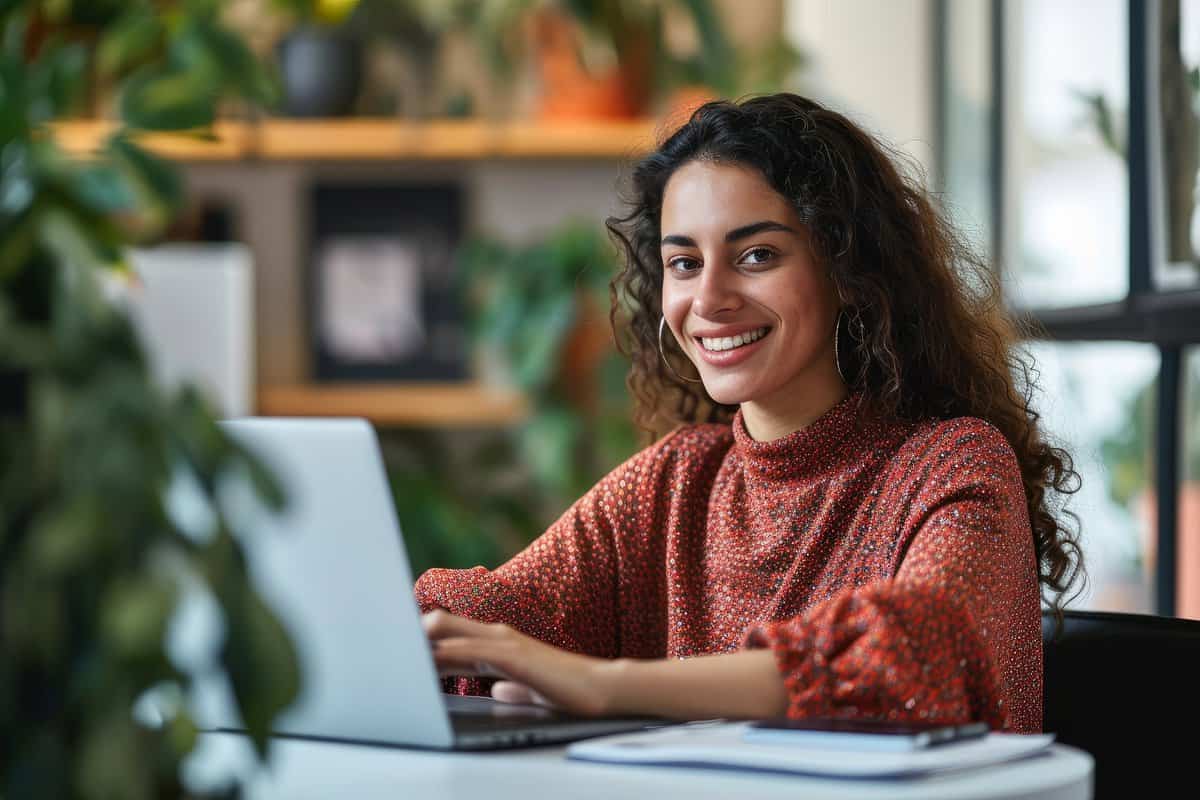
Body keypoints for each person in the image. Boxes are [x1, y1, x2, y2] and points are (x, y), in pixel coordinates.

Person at [415, 93, 1083, 733]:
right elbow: (493, 618)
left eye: (756, 255)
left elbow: (911, 657)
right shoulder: (675, 482)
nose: (708, 298)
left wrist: (602, 685)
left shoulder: (952, 463)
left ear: (847, 269)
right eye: (684, 262)